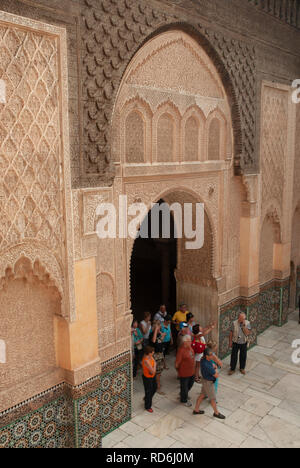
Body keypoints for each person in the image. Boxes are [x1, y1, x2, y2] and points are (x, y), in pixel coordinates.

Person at [193, 348, 225, 419]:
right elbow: (216, 375)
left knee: (202, 395)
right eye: (211, 355)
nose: (212, 356)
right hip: (208, 383)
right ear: (206, 356)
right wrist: (216, 368)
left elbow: (212, 364)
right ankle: (216, 413)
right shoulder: (207, 365)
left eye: (212, 354)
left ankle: (196, 410)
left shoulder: (204, 359)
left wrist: (214, 366)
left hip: (205, 381)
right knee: (213, 398)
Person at [175, 335, 195, 407]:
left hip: (192, 371)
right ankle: (184, 400)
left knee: (191, 384)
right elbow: (177, 363)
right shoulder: (181, 351)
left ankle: (183, 394)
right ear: (185, 342)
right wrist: (179, 371)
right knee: (184, 387)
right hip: (184, 373)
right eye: (189, 341)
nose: (191, 342)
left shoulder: (189, 347)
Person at [149, 320, 166, 395]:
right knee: (157, 373)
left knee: (159, 372)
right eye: (158, 327)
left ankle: (156, 385)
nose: (160, 328)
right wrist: (156, 329)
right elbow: (153, 340)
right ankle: (157, 387)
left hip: (160, 355)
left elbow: (160, 340)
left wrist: (161, 333)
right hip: (155, 356)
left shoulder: (158, 334)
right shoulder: (152, 334)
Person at [142, 346, 157, 413]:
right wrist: (155, 366)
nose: (153, 353)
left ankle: (146, 398)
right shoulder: (146, 360)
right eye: (152, 352)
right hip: (147, 378)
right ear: (149, 353)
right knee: (149, 391)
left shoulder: (150, 357)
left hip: (152, 377)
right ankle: (148, 406)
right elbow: (153, 371)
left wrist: (154, 367)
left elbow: (153, 368)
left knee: (154, 388)